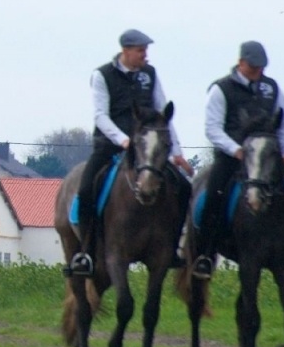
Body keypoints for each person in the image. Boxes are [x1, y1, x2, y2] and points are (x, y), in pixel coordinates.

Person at [194, 41, 284, 281]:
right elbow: (213, 129)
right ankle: (206, 254)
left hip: (267, 156)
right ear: (241, 63)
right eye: (253, 67)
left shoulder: (272, 88)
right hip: (233, 157)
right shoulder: (221, 89)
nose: (257, 72)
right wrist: (235, 149)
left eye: (261, 68)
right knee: (213, 196)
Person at [71, 31, 194, 276]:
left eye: (145, 50)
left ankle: (172, 249)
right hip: (110, 145)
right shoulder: (102, 75)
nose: (145, 55)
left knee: (184, 187)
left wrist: (177, 153)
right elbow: (101, 116)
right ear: (126, 50)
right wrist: (123, 140)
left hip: (148, 147)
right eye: (141, 50)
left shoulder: (150, 74)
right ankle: (86, 252)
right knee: (86, 191)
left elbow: (162, 113)